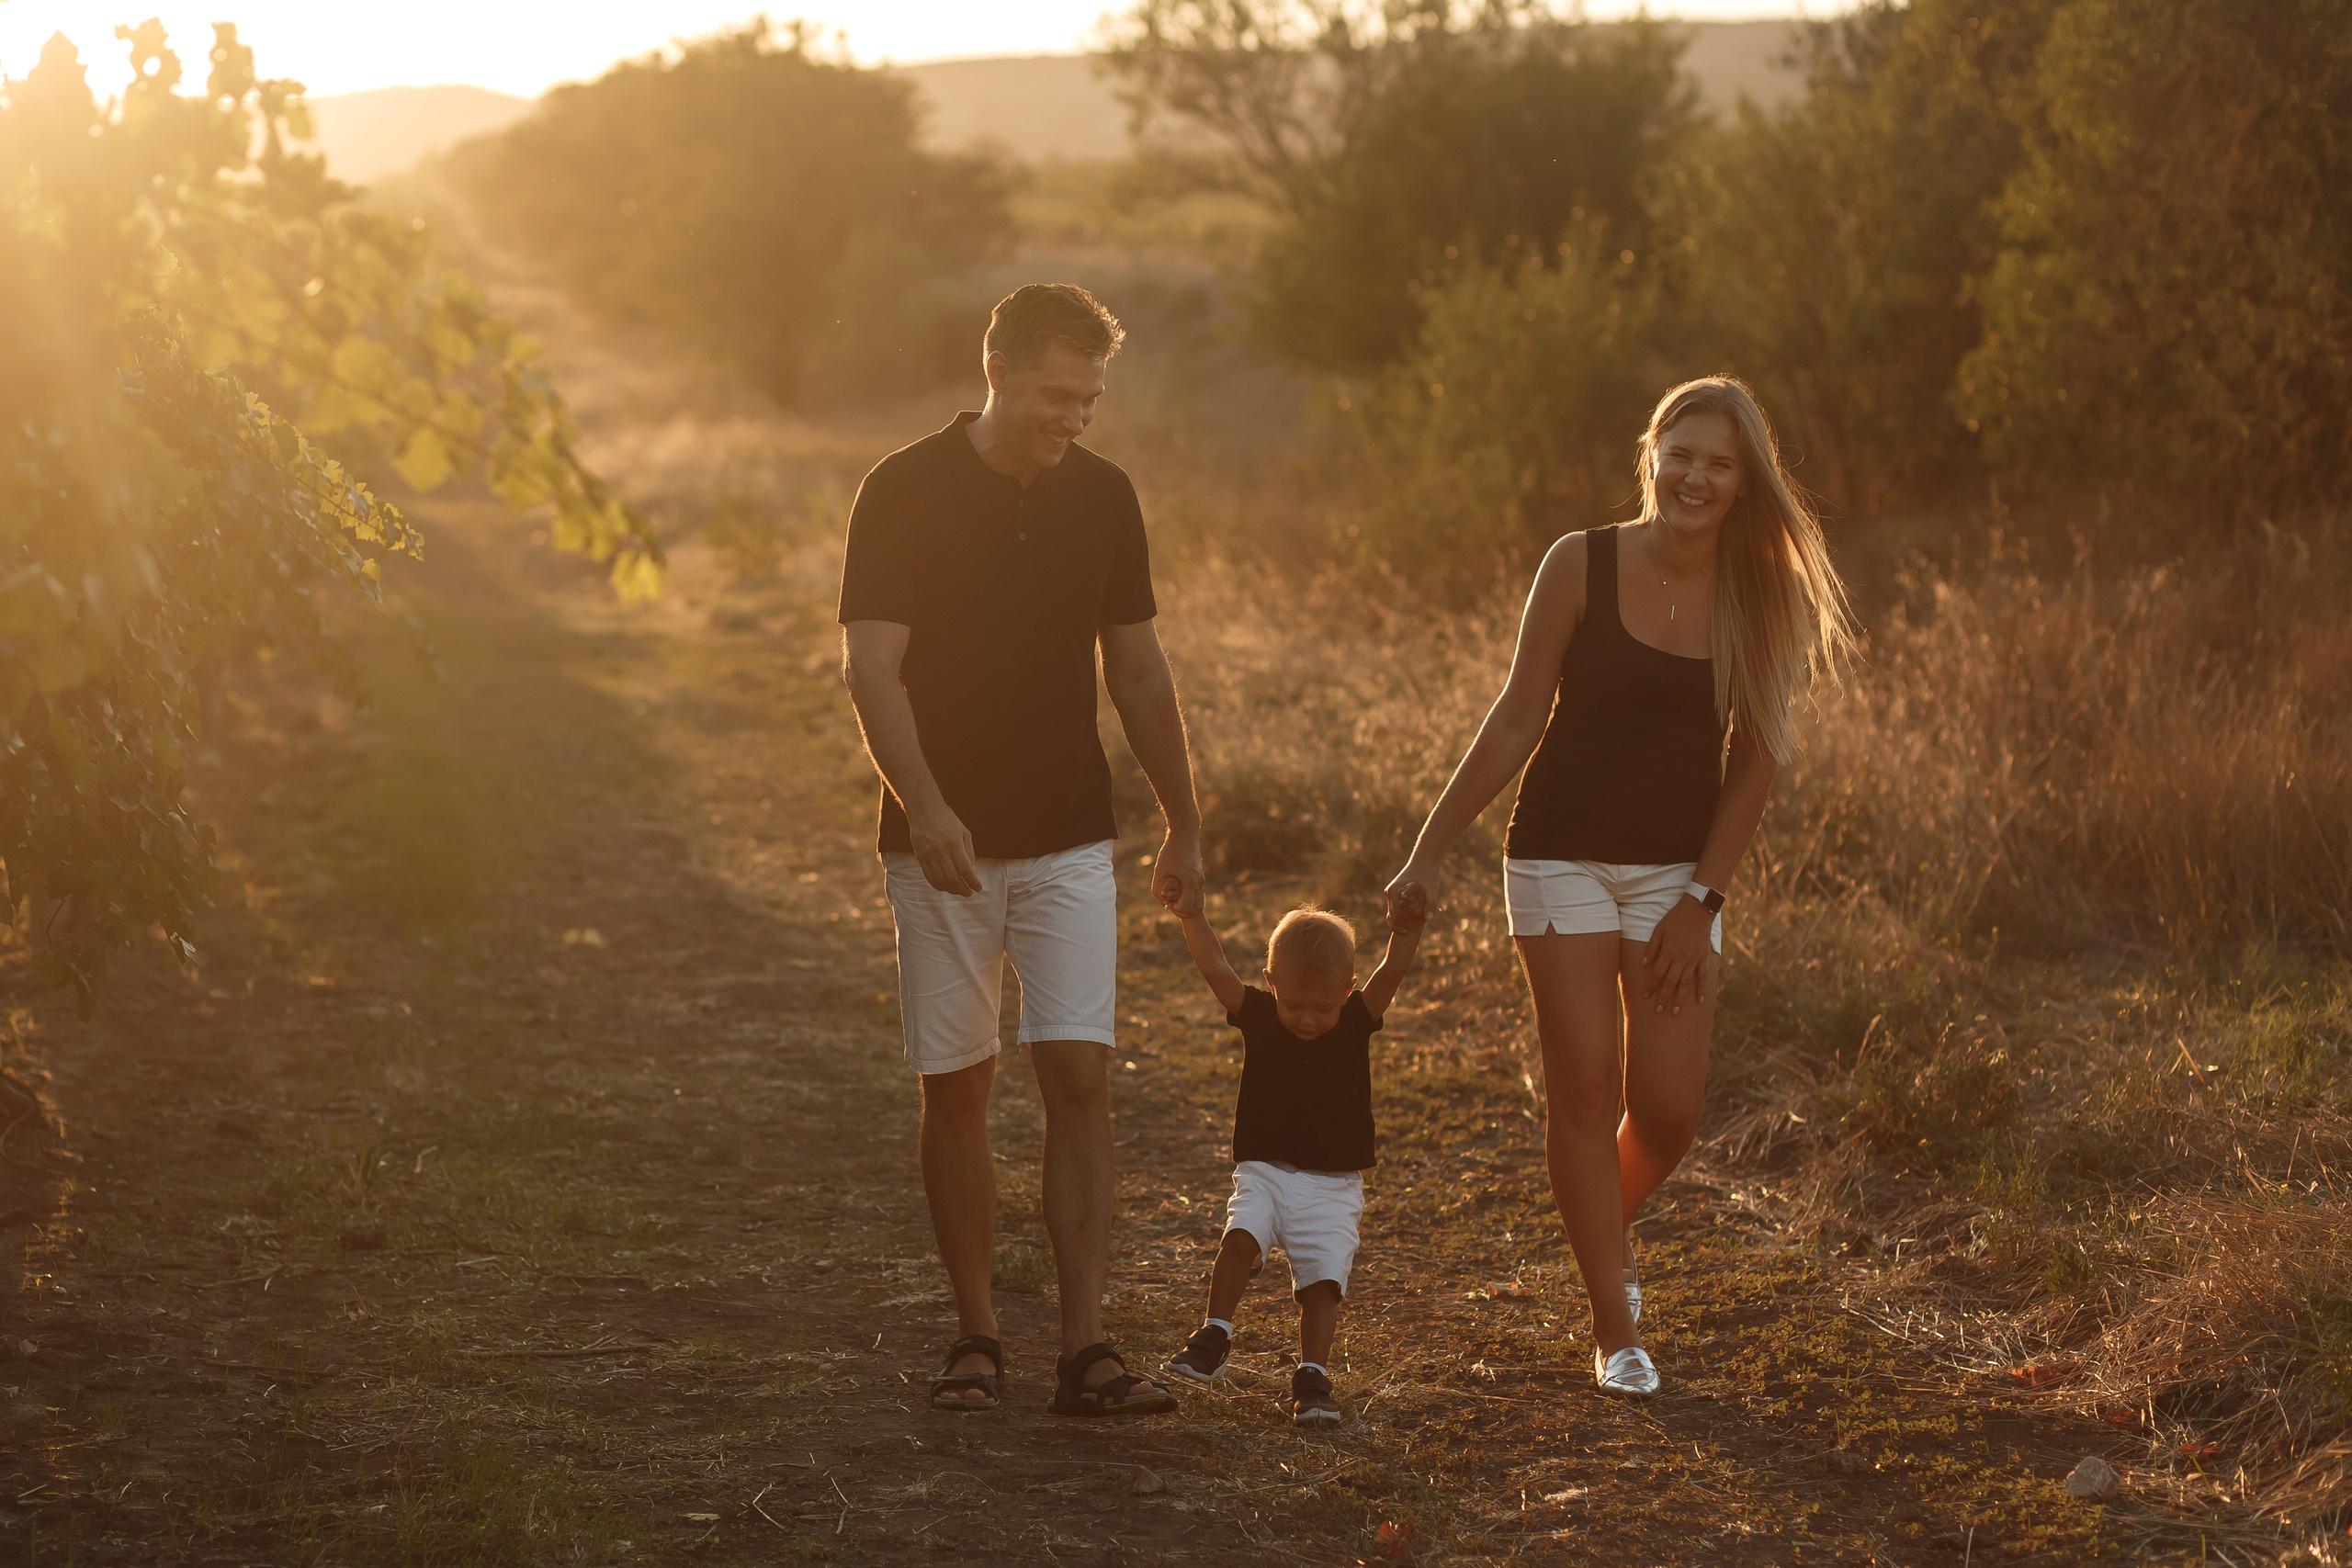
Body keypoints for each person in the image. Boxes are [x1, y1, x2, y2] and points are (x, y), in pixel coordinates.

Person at [1385, 377, 1854, 1398]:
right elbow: (1514, 720)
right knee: (1586, 1090)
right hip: (1556, 850)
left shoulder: (1758, 588)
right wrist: (1427, 850)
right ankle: (1613, 1327)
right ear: (1651, 453)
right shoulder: (1579, 562)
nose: (1695, 475)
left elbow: (1758, 761)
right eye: (1680, 452)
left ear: (1743, 482)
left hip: (1676, 877)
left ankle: (1597, 1231)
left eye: (1718, 463)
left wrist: (1702, 902)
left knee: (1671, 1110)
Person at [838, 284, 1204, 1417]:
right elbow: (871, 670)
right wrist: (929, 807)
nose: (1075, 417)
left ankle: (1087, 1348)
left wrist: (1184, 819)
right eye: (1058, 394)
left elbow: (1136, 671)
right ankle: (976, 1334)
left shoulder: (1104, 497)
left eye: (1090, 398)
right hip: (939, 844)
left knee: (1079, 1076)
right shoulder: (899, 490)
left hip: (1069, 837)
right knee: (958, 1086)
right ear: (996, 371)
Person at [1161, 895, 1426, 1424]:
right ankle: (1215, 1332)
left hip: (1333, 1185)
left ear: (1347, 992)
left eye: (1323, 1009)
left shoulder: (1355, 1019)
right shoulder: (1259, 1015)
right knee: (1239, 1239)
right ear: (1271, 981)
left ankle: (1312, 1376)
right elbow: (1215, 967)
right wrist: (1192, 916)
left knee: (1323, 1283)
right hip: (1266, 1170)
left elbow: (1394, 970)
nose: (1307, 1020)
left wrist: (1408, 926)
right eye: (1294, 1005)